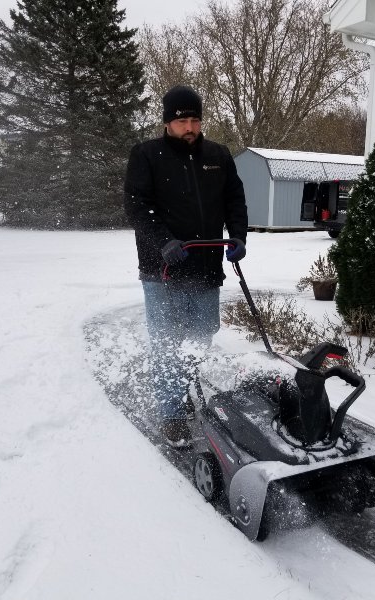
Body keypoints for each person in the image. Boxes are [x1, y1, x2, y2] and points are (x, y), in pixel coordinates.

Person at [123, 85, 248, 448]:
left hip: (207, 268)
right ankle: (172, 414)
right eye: (182, 121)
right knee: (167, 345)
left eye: (195, 119)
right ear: (167, 123)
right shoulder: (147, 155)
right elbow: (137, 207)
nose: (190, 126)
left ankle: (185, 389)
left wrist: (238, 236)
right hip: (162, 271)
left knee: (199, 341)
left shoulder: (218, 155)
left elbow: (234, 199)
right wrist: (164, 241)